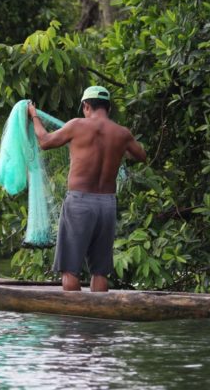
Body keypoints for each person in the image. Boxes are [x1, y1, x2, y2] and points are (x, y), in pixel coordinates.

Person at [27, 86, 146, 292]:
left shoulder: (77, 125)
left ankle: (74, 323)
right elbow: (141, 156)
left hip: (80, 203)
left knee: (70, 270)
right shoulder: (122, 133)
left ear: (86, 106)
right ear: (108, 108)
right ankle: (99, 323)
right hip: (107, 205)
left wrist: (34, 116)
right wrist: (118, 150)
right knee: (100, 272)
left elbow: (45, 141)